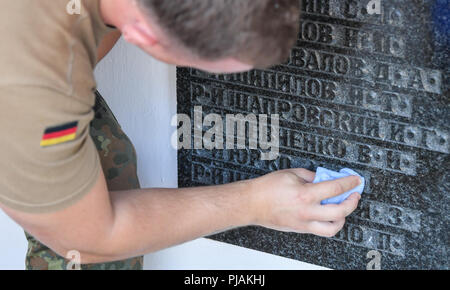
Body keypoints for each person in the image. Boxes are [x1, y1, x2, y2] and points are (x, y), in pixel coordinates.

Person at [0, 0, 362, 270]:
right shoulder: (33, 80)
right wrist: (256, 203)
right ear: (140, 34)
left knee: (108, 162)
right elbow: (89, 238)